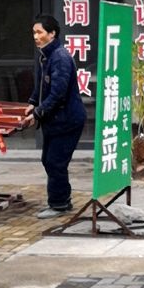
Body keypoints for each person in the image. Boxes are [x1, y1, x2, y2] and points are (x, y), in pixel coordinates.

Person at [22, 13, 87, 218]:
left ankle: (59, 204)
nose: (35, 36)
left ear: (52, 33)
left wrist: (38, 113)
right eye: (34, 32)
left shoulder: (60, 57)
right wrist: (33, 103)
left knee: (55, 161)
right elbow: (41, 85)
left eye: (39, 32)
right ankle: (62, 200)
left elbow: (58, 93)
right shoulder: (46, 55)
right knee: (49, 160)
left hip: (67, 120)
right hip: (55, 120)